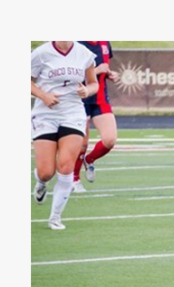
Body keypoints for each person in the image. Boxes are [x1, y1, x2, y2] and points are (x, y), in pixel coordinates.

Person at [31, 41, 98, 230]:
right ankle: (41, 182)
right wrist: (43, 96)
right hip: (45, 113)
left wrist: (87, 90)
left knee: (66, 165)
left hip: (73, 113)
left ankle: (55, 217)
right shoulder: (41, 52)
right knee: (46, 172)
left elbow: (94, 84)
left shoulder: (83, 53)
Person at [72, 41, 118, 193]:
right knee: (82, 143)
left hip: (100, 99)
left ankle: (89, 159)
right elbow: (70, 74)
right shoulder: (76, 43)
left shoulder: (105, 42)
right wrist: (97, 70)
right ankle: (74, 180)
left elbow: (105, 68)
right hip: (80, 99)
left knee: (110, 139)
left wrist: (110, 74)